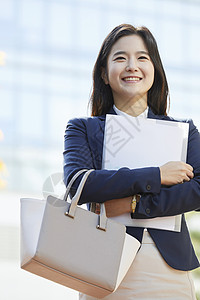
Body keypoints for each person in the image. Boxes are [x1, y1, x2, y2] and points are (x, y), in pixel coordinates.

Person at [63, 24, 200, 299]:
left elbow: (198, 190)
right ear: (104, 73)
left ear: (154, 70)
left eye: (142, 57)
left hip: (167, 270)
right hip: (102, 265)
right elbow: (79, 183)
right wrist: (156, 175)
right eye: (120, 58)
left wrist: (133, 204)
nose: (132, 66)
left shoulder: (184, 130)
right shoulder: (82, 128)